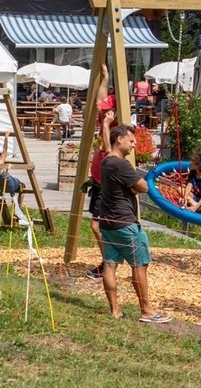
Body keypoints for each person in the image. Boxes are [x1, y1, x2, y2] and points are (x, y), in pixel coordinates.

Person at [98, 125, 171, 324]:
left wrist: (105, 125)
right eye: (131, 141)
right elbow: (144, 187)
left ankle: (115, 310)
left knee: (110, 266)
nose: (134, 144)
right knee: (140, 265)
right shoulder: (121, 165)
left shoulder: (106, 161)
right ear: (119, 140)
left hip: (107, 223)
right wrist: (141, 182)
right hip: (125, 223)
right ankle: (146, 311)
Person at [86, 62, 119, 280]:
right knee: (98, 225)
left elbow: (109, 150)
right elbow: (99, 100)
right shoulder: (104, 117)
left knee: (98, 226)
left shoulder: (116, 130)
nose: (102, 109)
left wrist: (107, 125)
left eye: (107, 108)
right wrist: (105, 78)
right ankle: (108, 260)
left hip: (107, 182)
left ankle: (108, 263)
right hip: (98, 180)